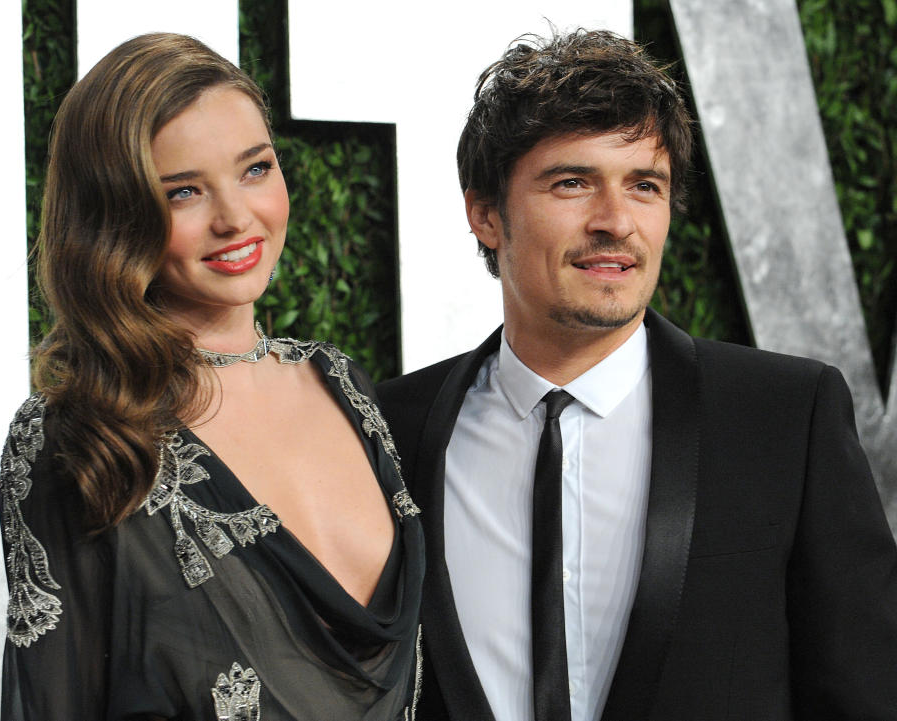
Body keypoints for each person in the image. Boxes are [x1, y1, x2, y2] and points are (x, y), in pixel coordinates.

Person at [377, 28, 897, 721]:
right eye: (572, 182)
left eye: (644, 186)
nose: (616, 222)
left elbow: (868, 693)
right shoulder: (391, 432)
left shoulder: (785, 417)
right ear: (485, 214)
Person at [0, 33, 423, 721]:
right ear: (115, 215)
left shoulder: (344, 383)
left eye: (255, 169)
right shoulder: (76, 432)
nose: (235, 217)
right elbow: (56, 699)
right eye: (184, 191)